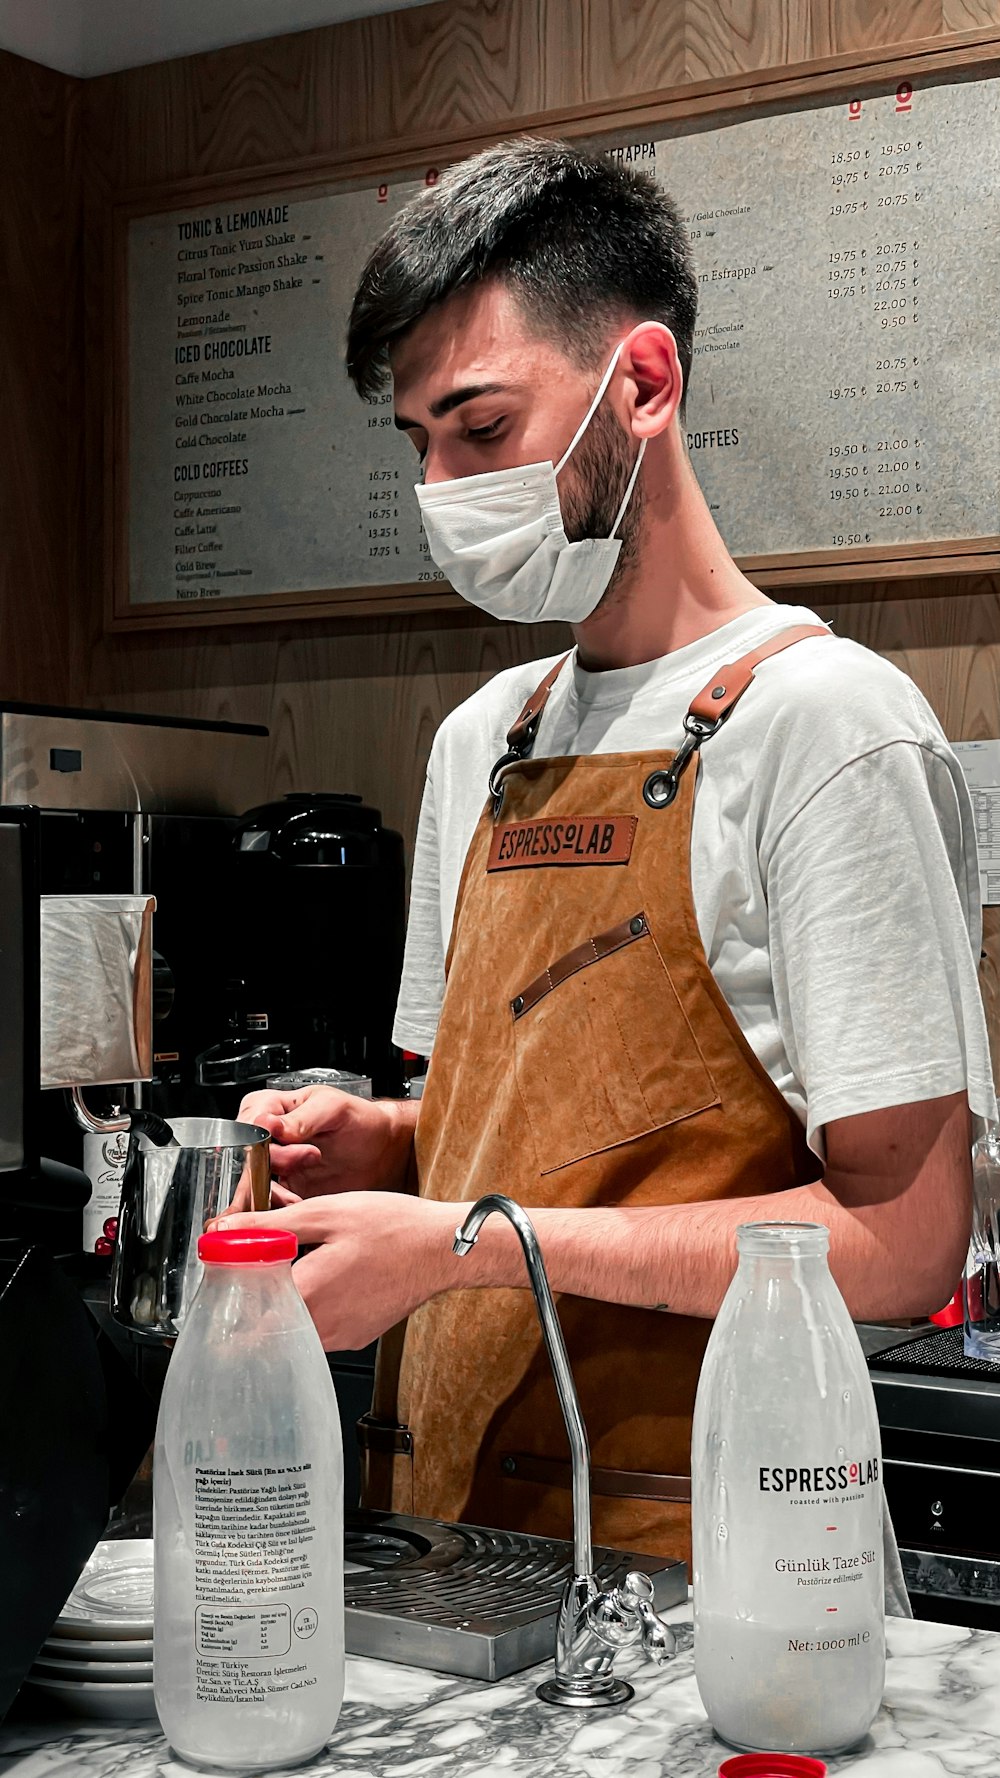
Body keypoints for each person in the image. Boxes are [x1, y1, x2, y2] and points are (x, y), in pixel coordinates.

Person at [226, 137, 995, 1565]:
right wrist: (381, 1146)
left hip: (721, 1566)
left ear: (641, 384)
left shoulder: (826, 729)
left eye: (481, 426)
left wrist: (462, 1241)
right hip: (451, 1549)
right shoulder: (485, 741)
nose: (444, 489)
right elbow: (506, 1126)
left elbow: (907, 1238)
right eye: (419, 446)